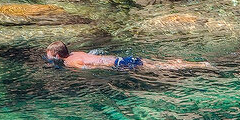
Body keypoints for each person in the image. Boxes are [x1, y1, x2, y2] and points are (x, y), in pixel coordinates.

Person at [46, 41, 211, 71]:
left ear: (57, 55)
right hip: (119, 59)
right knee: (154, 63)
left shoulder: (70, 62)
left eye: (50, 57)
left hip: (120, 65)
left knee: (160, 67)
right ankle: (184, 62)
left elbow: (86, 68)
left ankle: (198, 65)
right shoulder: (75, 53)